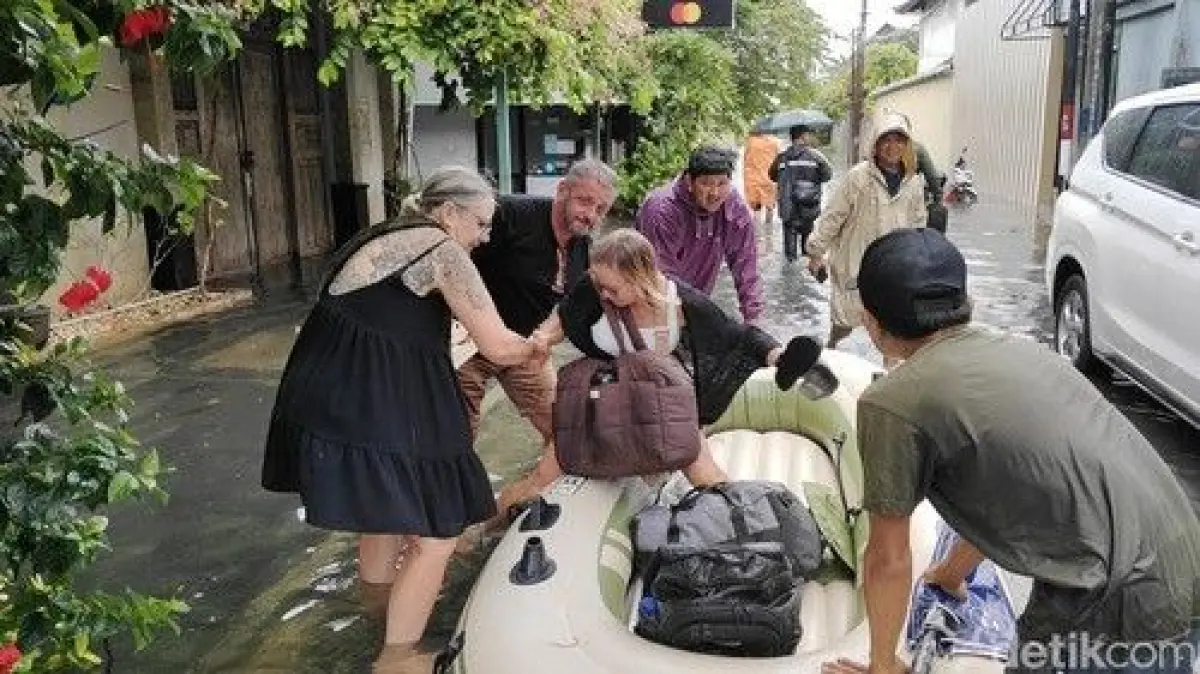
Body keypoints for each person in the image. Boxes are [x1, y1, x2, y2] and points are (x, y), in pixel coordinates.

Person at [821, 228, 1200, 674]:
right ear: (968, 302)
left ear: (870, 321)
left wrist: (883, 663)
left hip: (1115, 603)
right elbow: (1008, 487)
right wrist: (951, 572)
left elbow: (888, 555)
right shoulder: (1021, 350)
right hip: (1183, 563)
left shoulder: (894, 401)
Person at [260, 167, 544, 673]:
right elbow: (498, 345)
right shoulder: (441, 250)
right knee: (439, 534)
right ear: (449, 212)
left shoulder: (382, 233)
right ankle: (396, 657)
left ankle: (376, 615)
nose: (484, 237)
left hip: (327, 394)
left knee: (384, 514)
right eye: (480, 224)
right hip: (374, 396)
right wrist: (542, 343)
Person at [526, 229, 788, 491]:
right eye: (600, 286)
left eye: (612, 289)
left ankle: (742, 518)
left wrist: (778, 355)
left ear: (640, 279)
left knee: (707, 478)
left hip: (658, 402)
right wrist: (543, 338)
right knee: (541, 479)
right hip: (604, 400)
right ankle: (493, 523)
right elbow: (566, 314)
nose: (604, 295)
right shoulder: (594, 289)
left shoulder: (683, 305)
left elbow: (738, 336)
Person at [460, 159, 617, 511]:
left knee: (564, 427)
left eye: (600, 208)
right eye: (584, 201)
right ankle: (457, 519)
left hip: (522, 345)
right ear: (561, 190)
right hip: (465, 343)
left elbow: (575, 310)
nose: (590, 214)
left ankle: (516, 503)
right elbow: (453, 253)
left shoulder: (581, 247)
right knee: (457, 440)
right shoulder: (510, 215)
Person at [805, 112, 927, 352]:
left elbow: (918, 225)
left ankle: (887, 375)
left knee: (892, 327)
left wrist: (919, 263)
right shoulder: (858, 177)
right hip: (855, 263)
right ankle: (832, 351)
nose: (893, 147)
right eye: (886, 140)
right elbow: (833, 216)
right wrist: (815, 252)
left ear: (907, 145)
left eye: (899, 140)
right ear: (876, 143)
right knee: (845, 322)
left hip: (894, 267)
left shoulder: (913, 183)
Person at [636, 145, 765, 325]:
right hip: (653, 304)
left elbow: (746, 264)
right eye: (706, 183)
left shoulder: (733, 205)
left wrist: (754, 317)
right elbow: (661, 274)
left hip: (697, 302)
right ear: (689, 181)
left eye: (722, 183)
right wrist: (705, 311)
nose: (715, 193)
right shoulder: (661, 210)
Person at [769, 124, 833, 262]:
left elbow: (772, 176)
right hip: (808, 207)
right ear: (803, 136)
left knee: (790, 258)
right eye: (808, 135)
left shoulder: (781, 158)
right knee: (808, 252)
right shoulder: (816, 156)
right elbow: (827, 176)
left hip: (787, 209)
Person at [743, 128, 782, 242]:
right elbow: (780, 160)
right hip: (770, 179)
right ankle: (769, 234)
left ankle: (757, 237)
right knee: (770, 208)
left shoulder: (751, 142)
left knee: (756, 210)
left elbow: (746, 160)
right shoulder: (775, 142)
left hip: (754, 179)